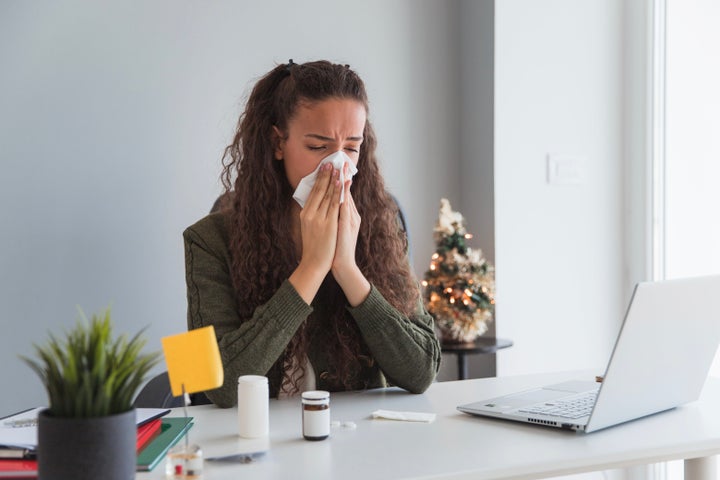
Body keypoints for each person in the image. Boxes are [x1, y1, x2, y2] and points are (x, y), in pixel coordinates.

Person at [183, 59, 441, 408]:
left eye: (351, 147)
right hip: (248, 445)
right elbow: (217, 386)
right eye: (318, 147)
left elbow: (423, 371)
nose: (337, 166)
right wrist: (312, 268)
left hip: (351, 444)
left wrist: (347, 270)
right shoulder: (206, 240)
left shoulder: (382, 222)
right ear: (278, 143)